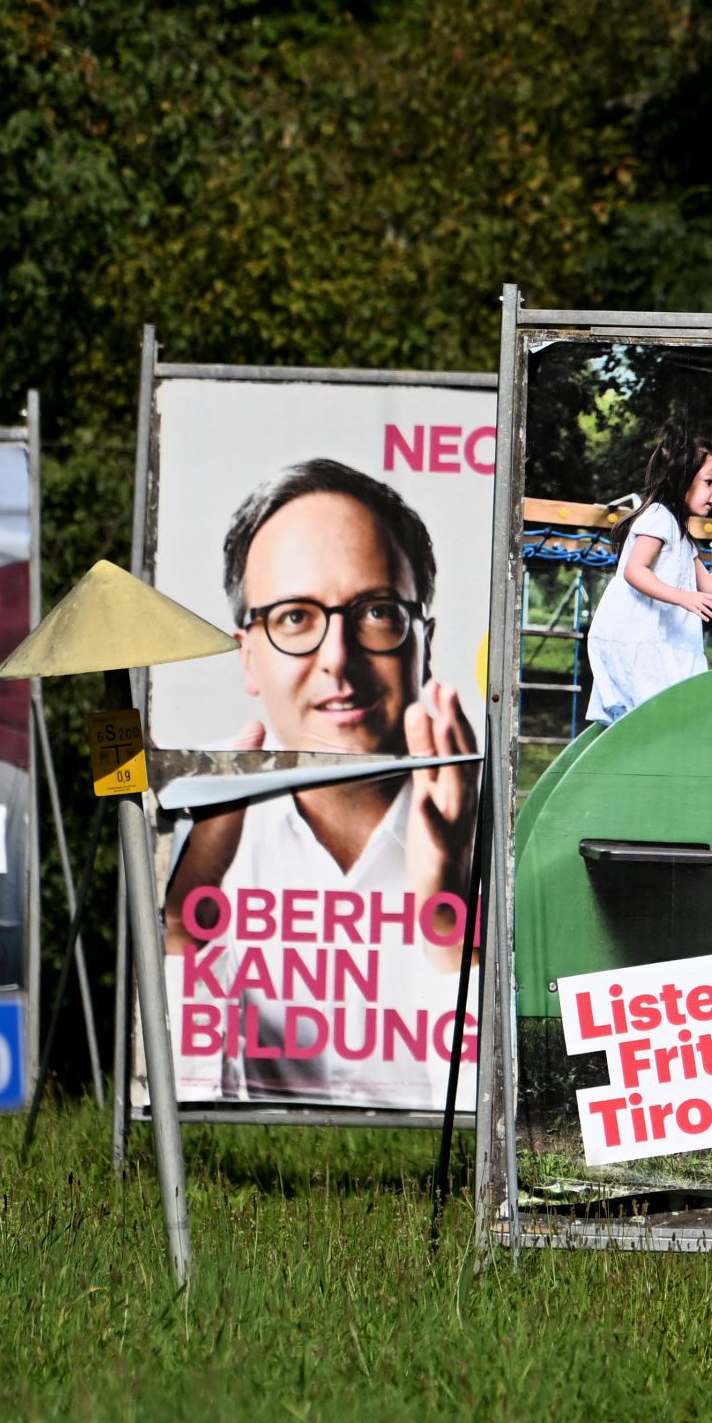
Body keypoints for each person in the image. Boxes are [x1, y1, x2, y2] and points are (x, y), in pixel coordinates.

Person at [162, 459, 478, 1107]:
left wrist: (451, 916)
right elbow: (174, 1129)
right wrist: (180, 935)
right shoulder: (191, 850)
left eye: (376, 611)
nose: (338, 656)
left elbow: (506, 1132)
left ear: (426, 643)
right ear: (248, 655)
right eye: (296, 618)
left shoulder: (505, 838)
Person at [582, 431, 712, 727]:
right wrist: (684, 597)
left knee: (673, 716)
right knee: (659, 719)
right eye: (709, 482)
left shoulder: (682, 536)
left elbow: (708, 585)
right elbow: (635, 570)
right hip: (638, 640)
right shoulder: (659, 517)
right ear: (681, 478)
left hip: (662, 642)